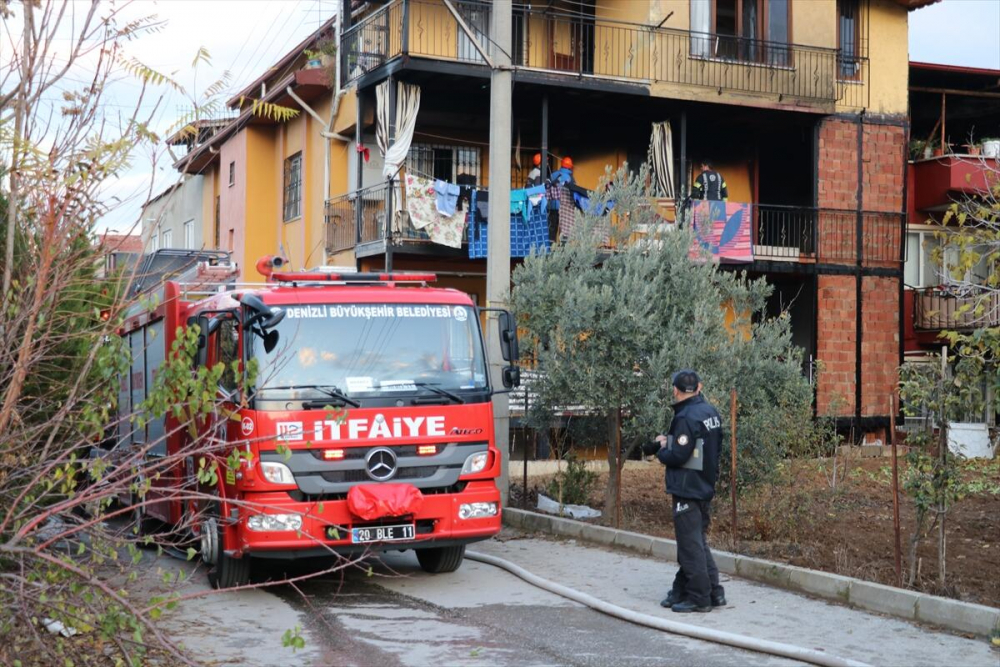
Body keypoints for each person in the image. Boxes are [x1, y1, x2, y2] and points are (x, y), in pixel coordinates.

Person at [643, 370, 726, 613]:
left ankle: (699, 597)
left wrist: (660, 450)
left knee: (690, 546)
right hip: (704, 484)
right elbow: (701, 445)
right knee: (697, 542)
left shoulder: (686, 417)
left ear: (675, 390)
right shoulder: (711, 412)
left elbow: (679, 455)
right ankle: (713, 592)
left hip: (687, 488)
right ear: (699, 387)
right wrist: (671, 440)